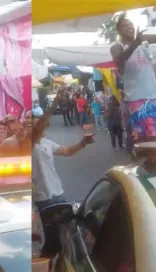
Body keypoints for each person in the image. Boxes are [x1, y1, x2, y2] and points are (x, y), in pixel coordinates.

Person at [32, 89, 94, 259]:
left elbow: (66, 151)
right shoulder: (30, 144)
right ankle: (46, 263)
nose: (45, 126)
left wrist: (83, 143)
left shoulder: (46, 143)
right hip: (43, 198)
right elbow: (38, 128)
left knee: (66, 233)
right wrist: (53, 106)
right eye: (40, 124)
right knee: (53, 238)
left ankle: (59, 262)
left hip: (58, 193)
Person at [110, 11, 156, 143]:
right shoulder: (117, 47)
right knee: (141, 139)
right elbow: (119, 59)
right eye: (125, 26)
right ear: (119, 30)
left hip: (154, 97)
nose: (130, 27)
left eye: (131, 25)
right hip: (136, 99)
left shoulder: (142, 40)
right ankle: (141, 162)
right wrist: (136, 43)